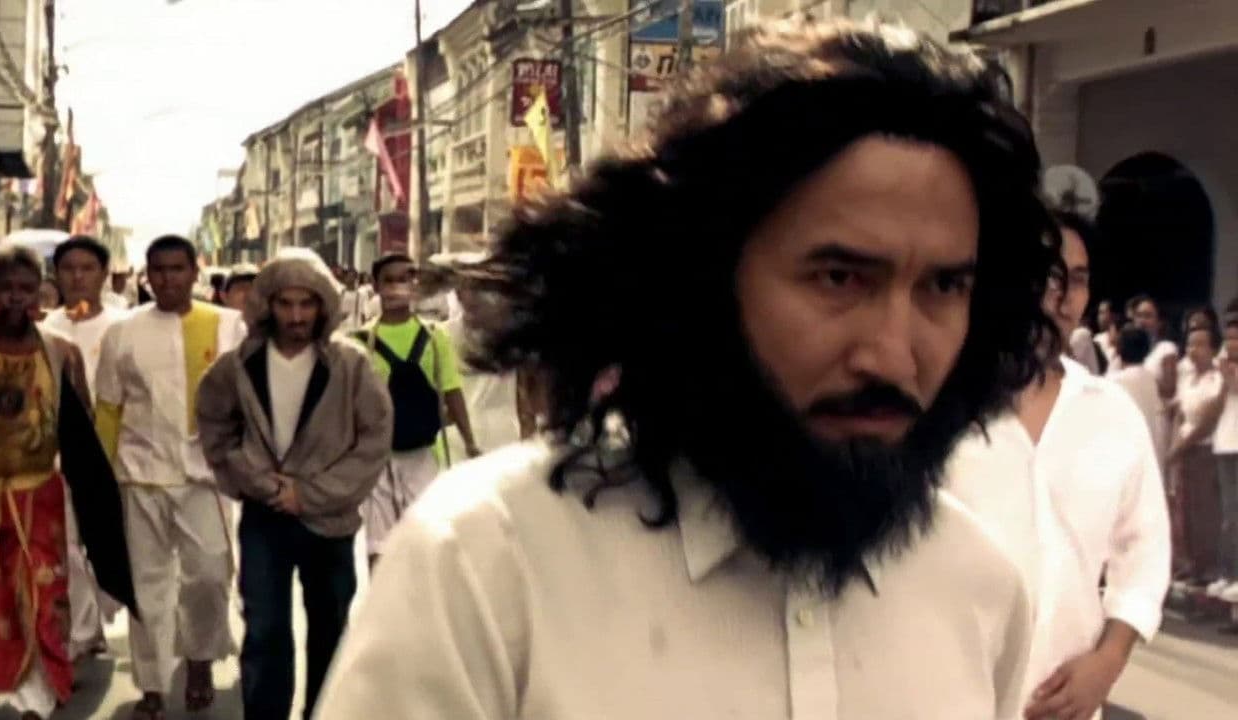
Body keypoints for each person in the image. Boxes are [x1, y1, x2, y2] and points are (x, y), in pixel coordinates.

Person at [315, 18, 1061, 719]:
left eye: (943, 287)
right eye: (839, 278)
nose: (894, 355)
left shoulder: (980, 590)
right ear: (702, 278)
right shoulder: (487, 566)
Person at [946, 211, 1170, 720]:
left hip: (1061, 700)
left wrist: (1107, 663)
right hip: (949, 693)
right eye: (1049, 275)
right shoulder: (946, 406)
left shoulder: (1111, 413)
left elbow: (1144, 553)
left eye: (1079, 279)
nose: (1064, 296)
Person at [197, 248, 391, 720]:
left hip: (331, 520)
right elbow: (214, 425)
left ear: (323, 305)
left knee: (331, 630)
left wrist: (310, 494)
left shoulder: (351, 364)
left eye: (307, 304)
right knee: (264, 630)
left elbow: (374, 440)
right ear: (268, 304)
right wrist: (255, 481)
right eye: (286, 303)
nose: (297, 316)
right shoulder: (239, 365)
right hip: (264, 517)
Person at [0, 245, 136, 720]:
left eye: (26, 288)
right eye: (5, 287)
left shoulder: (60, 353)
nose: (15, 297)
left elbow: (79, 431)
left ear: (40, 290)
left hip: (38, 495)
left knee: (42, 596)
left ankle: (39, 696)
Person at [93, 235, 247, 720]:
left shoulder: (228, 326)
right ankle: (153, 686)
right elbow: (109, 409)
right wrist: (98, 479)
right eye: (158, 270)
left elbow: (246, 402)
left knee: (209, 575)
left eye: (177, 269)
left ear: (195, 272)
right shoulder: (124, 332)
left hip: (205, 478)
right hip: (139, 476)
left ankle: (199, 659)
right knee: (147, 585)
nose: (167, 279)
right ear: (147, 275)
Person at [354, 253, 479, 566]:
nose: (398, 286)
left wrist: (469, 441)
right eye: (389, 280)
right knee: (379, 548)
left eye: (406, 278)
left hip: (425, 456)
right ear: (375, 286)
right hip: (378, 461)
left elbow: (451, 390)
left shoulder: (435, 337)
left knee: (427, 541)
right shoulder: (359, 342)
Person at [41, 235, 129, 660]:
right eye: (69, 269)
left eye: (87, 268)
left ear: (104, 274)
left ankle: (100, 610)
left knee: (111, 542)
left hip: (116, 452)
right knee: (67, 542)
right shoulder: (44, 329)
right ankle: (79, 631)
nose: (77, 277)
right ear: (56, 275)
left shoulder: (123, 326)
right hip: (57, 454)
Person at [442, 259, 538, 462]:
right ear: (458, 293)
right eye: (470, 288)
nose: (479, 295)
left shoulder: (514, 335)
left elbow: (526, 394)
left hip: (503, 440)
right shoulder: (441, 335)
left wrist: (529, 436)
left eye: (486, 288)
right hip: (457, 442)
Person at [1167, 322, 1226, 588]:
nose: (1194, 350)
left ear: (1213, 349)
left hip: (1204, 449)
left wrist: (1183, 445)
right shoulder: (1187, 379)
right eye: (1191, 344)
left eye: (1201, 344)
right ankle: (1190, 564)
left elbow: (1208, 420)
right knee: (1185, 509)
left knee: (1205, 511)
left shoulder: (1218, 380)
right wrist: (1176, 443)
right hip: (1184, 448)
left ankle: (1207, 567)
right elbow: (1181, 414)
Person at [1109, 325, 1167, 467]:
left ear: (1118, 350)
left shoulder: (1114, 381)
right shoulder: (1151, 378)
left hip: (1125, 454)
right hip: (1151, 450)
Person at [1211, 318, 1238, 601]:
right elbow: (1220, 401)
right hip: (1225, 443)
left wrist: (1229, 375)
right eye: (1228, 338)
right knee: (1228, 517)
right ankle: (1227, 574)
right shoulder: (1224, 367)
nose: (1231, 344)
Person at [1131, 294, 1178, 400]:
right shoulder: (1128, 350)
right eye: (1138, 315)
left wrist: (1142, 378)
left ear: (1159, 322)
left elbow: (1169, 390)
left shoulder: (1166, 348)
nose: (1142, 321)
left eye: (1147, 316)